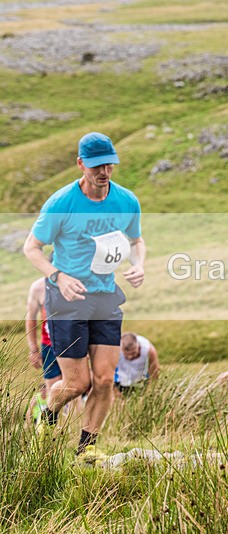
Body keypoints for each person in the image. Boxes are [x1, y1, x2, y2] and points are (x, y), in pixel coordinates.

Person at [22, 131, 146, 465]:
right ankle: (45, 413)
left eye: (109, 164)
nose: (103, 171)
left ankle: (86, 449)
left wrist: (138, 265)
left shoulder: (126, 200)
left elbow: (136, 241)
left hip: (105, 296)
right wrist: (58, 277)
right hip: (66, 298)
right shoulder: (61, 203)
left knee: (105, 379)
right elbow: (31, 248)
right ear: (80, 164)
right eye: (96, 166)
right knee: (77, 383)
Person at [25, 276, 61, 397]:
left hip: (74, 344)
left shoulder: (78, 279)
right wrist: (33, 349)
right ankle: (53, 415)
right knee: (53, 390)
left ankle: (74, 416)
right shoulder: (38, 287)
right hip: (49, 346)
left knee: (74, 388)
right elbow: (30, 319)